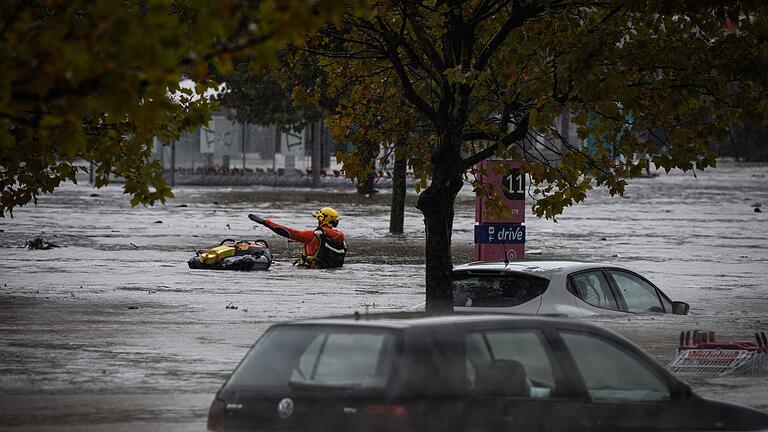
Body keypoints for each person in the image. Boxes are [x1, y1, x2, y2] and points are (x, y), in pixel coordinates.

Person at [248, 207, 347, 269]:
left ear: (322, 219)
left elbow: (288, 232)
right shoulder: (341, 239)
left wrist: (266, 222)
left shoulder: (313, 235)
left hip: (310, 273)